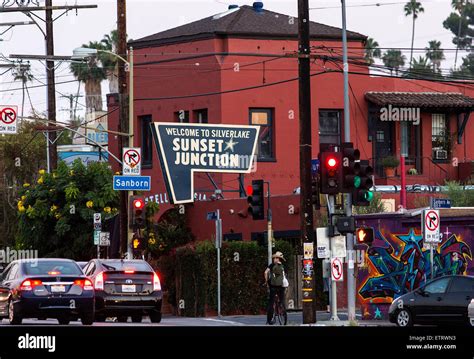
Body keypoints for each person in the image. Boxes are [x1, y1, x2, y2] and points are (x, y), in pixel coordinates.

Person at [264, 251, 287, 325]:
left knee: (271, 303)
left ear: (276, 258)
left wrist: (266, 281)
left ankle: (269, 319)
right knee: (282, 299)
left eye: (275, 258)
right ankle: (282, 309)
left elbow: (265, 272)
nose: (275, 259)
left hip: (273, 286)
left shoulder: (271, 265)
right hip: (281, 286)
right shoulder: (282, 265)